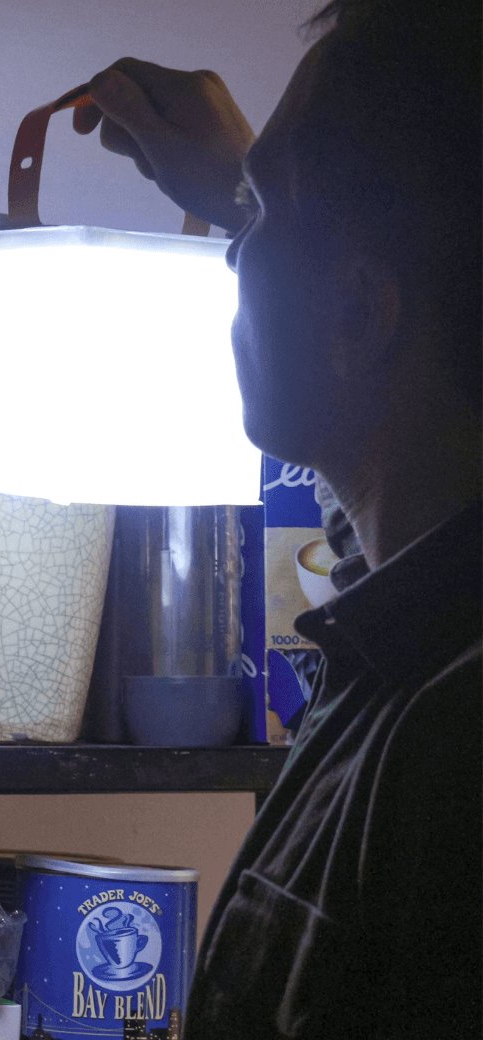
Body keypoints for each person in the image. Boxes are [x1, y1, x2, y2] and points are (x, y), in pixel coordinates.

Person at [74, 0, 480, 1035]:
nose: (229, 255)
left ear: (359, 309)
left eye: (253, 220)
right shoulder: (404, 645)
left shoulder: (450, 744)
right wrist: (257, 190)